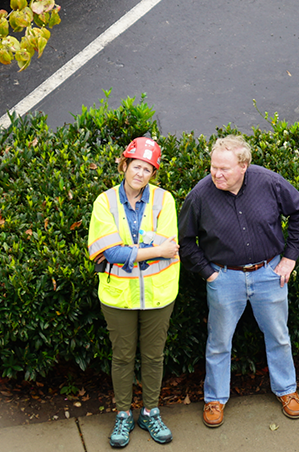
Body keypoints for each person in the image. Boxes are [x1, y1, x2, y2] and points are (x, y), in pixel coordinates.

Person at [179, 135, 299, 428]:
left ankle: (287, 390)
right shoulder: (200, 195)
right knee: (218, 341)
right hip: (224, 277)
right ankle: (214, 398)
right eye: (213, 167)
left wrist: (289, 257)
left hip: (269, 273)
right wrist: (210, 273)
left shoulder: (269, 183)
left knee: (278, 335)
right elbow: (186, 242)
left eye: (224, 169)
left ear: (244, 166)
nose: (216, 174)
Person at [85, 137, 180, 448]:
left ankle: (150, 411)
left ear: (153, 173)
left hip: (158, 294)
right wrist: (151, 248)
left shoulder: (165, 201)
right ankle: (123, 415)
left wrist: (133, 250)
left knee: (154, 356)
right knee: (123, 357)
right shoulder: (105, 202)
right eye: (137, 166)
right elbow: (109, 252)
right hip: (118, 298)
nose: (141, 173)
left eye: (148, 169)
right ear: (124, 165)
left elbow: (170, 248)